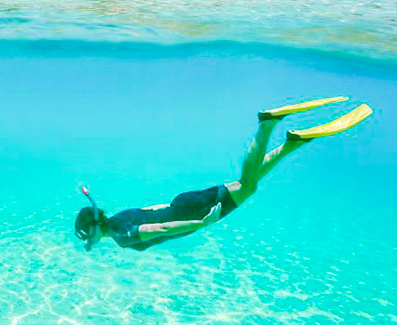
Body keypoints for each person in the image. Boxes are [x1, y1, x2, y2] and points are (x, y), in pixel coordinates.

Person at [74, 97, 373, 252]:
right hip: (180, 203)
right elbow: (153, 210)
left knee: (247, 184)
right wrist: (186, 213)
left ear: (91, 233)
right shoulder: (118, 217)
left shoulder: (120, 237)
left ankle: (267, 125)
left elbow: (158, 230)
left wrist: (199, 223)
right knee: (249, 184)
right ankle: (292, 142)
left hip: (191, 212)